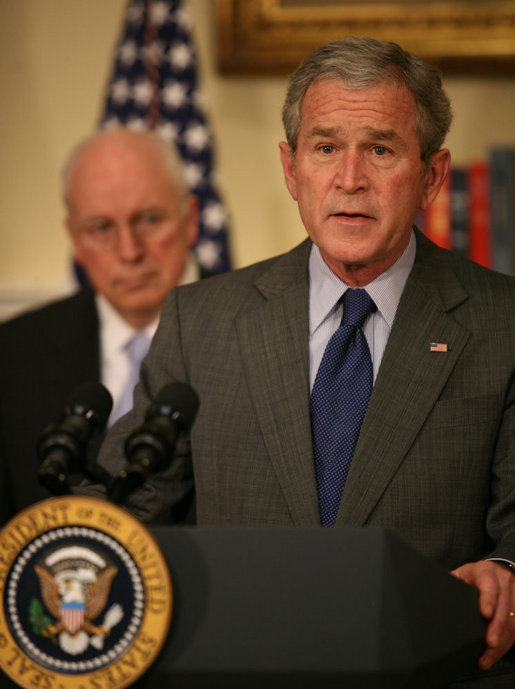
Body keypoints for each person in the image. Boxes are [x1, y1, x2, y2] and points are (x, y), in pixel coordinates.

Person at [90, 38, 514, 685]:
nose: (349, 179)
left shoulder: (501, 323)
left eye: (379, 148)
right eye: (324, 148)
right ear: (291, 171)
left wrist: (506, 573)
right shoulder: (200, 323)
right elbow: (123, 505)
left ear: (431, 174)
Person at [0, 128, 200, 524]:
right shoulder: (11, 355)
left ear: (190, 220)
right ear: (74, 240)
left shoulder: (253, 333)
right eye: (102, 228)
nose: (129, 251)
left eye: (148, 219)